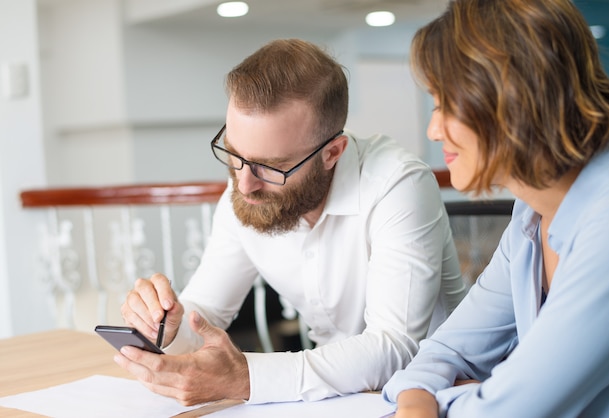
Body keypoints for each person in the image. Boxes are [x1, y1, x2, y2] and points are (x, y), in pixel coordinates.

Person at [116, 38, 467, 405]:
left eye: (271, 166)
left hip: (441, 395)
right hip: (335, 402)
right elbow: (204, 314)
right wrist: (169, 325)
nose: (245, 183)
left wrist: (246, 379)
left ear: (332, 153)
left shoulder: (398, 183)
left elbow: (395, 347)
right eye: (234, 154)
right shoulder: (246, 187)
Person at [382, 0, 609, 417]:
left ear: (509, 98)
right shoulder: (530, 215)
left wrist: (443, 399)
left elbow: (506, 411)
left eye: (445, 104)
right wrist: (419, 397)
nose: (433, 128)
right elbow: (446, 349)